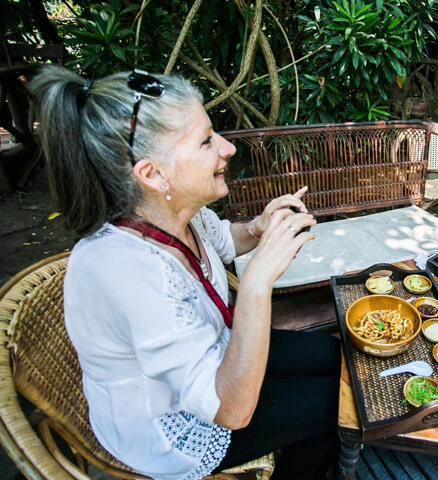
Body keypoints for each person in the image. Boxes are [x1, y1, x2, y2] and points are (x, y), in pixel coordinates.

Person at [29, 66, 340, 480]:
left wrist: (257, 228)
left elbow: (225, 242)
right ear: (153, 174)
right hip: (172, 427)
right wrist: (257, 281)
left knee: (338, 358)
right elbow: (230, 410)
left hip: (214, 354)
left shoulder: (176, 212)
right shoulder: (125, 270)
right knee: (339, 407)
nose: (227, 148)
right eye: (207, 140)